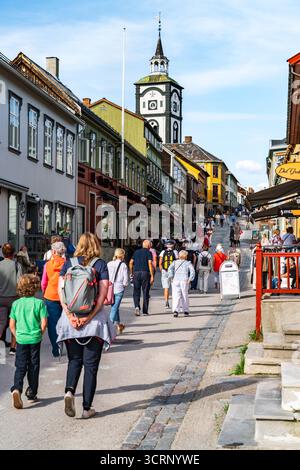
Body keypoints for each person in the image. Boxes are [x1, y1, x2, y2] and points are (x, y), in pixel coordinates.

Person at [57, 232, 115, 419]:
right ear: (96, 245)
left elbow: (62, 293)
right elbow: (101, 297)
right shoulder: (100, 265)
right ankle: (86, 407)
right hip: (93, 323)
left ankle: (69, 391)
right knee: (90, 366)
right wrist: (88, 317)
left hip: (70, 322)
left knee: (74, 360)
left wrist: (70, 316)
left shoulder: (68, 264)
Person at [9, 274, 48, 408]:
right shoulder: (39, 303)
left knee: (20, 365)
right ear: (35, 287)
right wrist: (39, 335)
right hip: (34, 339)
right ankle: (32, 392)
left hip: (21, 339)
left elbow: (12, 325)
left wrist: (17, 336)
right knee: (34, 365)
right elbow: (44, 324)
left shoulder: (16, 304)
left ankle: (17, 388)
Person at [41, 241, 66, 357]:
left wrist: (44, 292)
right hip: (65, 296)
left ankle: (56, 349)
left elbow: (44, 282)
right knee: (67, 321)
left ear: (54, 251)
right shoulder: (67, 263)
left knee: (52, 323)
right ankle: (69, 345)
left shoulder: (47, 265)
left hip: (51, 295)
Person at [0, 243, 22, 354]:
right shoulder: (16, 265)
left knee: (1, 323)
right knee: (15, 322)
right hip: (14, 298)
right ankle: (13, 348)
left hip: (1, 298)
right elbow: (20, 283)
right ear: (13, 254)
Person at [129, 240, 154, 316]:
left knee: (136, 290)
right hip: (145, 273)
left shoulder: (136, 252)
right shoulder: (149, 253)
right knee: (145, 291)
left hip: (136, 273)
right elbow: (150, 263)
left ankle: (137, 306)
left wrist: (131, 272)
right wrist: (152, 275)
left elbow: (130, 262)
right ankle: (145, 311)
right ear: (149, 246)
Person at [168, 250, 195, 317]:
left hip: (176, 280)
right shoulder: (188, 263)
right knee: (184, 296)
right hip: (184, 280)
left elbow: (170, 269)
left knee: (175, 296)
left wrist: (171, 277)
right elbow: (192, 271)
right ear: (185, 256)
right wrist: (190, 279)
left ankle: (175, 310)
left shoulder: (175, 262)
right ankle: (185, 311)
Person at [107, 248, 128, 334]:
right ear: (122, 255)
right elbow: (125, 280)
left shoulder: (109, 264)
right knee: (114, 308)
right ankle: (109, 327)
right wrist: (124, 284)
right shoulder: (123, 265)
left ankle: (119, 325)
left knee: (115, 307)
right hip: (119, 288)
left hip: (110, 288)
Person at [159, 241, 178, 309]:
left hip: (165, 270)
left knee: (166, 288)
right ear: (173, 245)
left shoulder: (163, 252)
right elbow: (177, 262)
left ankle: (166, 302)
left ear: (166, 245)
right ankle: (175, 302)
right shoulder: (175, 252)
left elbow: (160, 262)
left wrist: (162, 270)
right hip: (173, 272)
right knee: (174, 288)